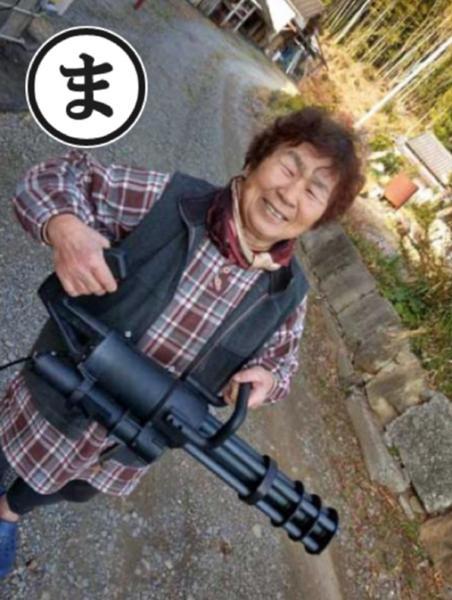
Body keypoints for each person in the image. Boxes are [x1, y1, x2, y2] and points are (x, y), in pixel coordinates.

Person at [0, 107, 364, 578]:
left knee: (72, 487)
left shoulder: (287, 294)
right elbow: (53, 178)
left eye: (313, 191)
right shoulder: (169, 201)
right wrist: (64, 228)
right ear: (256, 161)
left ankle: (8, 513)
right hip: (53, 393)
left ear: (318, 219)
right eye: (288, 167)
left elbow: (283, 363)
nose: (289, 194)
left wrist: (268, 380)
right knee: (8, 446)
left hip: (124, 446)